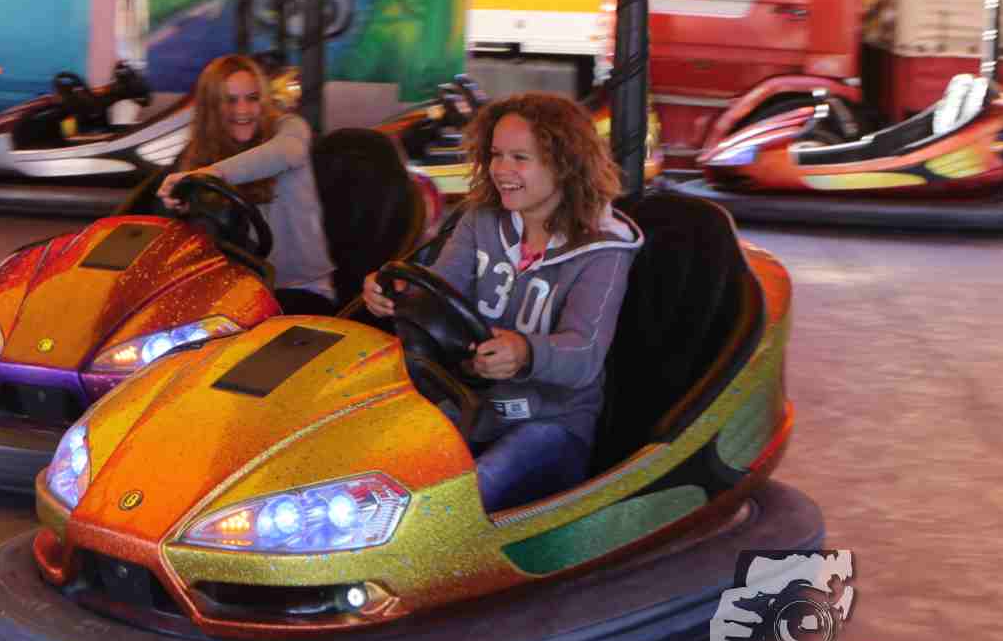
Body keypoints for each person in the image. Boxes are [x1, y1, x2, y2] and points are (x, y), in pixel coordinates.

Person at [363, 91, 643, 513]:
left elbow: (584, 354)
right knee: (375, 468)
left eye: (520, 158)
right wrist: (393, 294)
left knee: (451, 506)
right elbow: (440, 291)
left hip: (552, 425)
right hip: (474, 407)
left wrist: (525, 352)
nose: (501, 170)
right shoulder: (481, 220)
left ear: (564, 164)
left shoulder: (603, 249)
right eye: (496, 155)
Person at [159, 53, 338, 316]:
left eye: (252, 98)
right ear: (211, 107)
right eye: (230, 101)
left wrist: (214, 173)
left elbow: (287, 153)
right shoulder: (199, 153)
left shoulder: (290, 129)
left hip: (301, 290)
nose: (243, 110)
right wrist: (176, 201)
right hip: (235, 294)